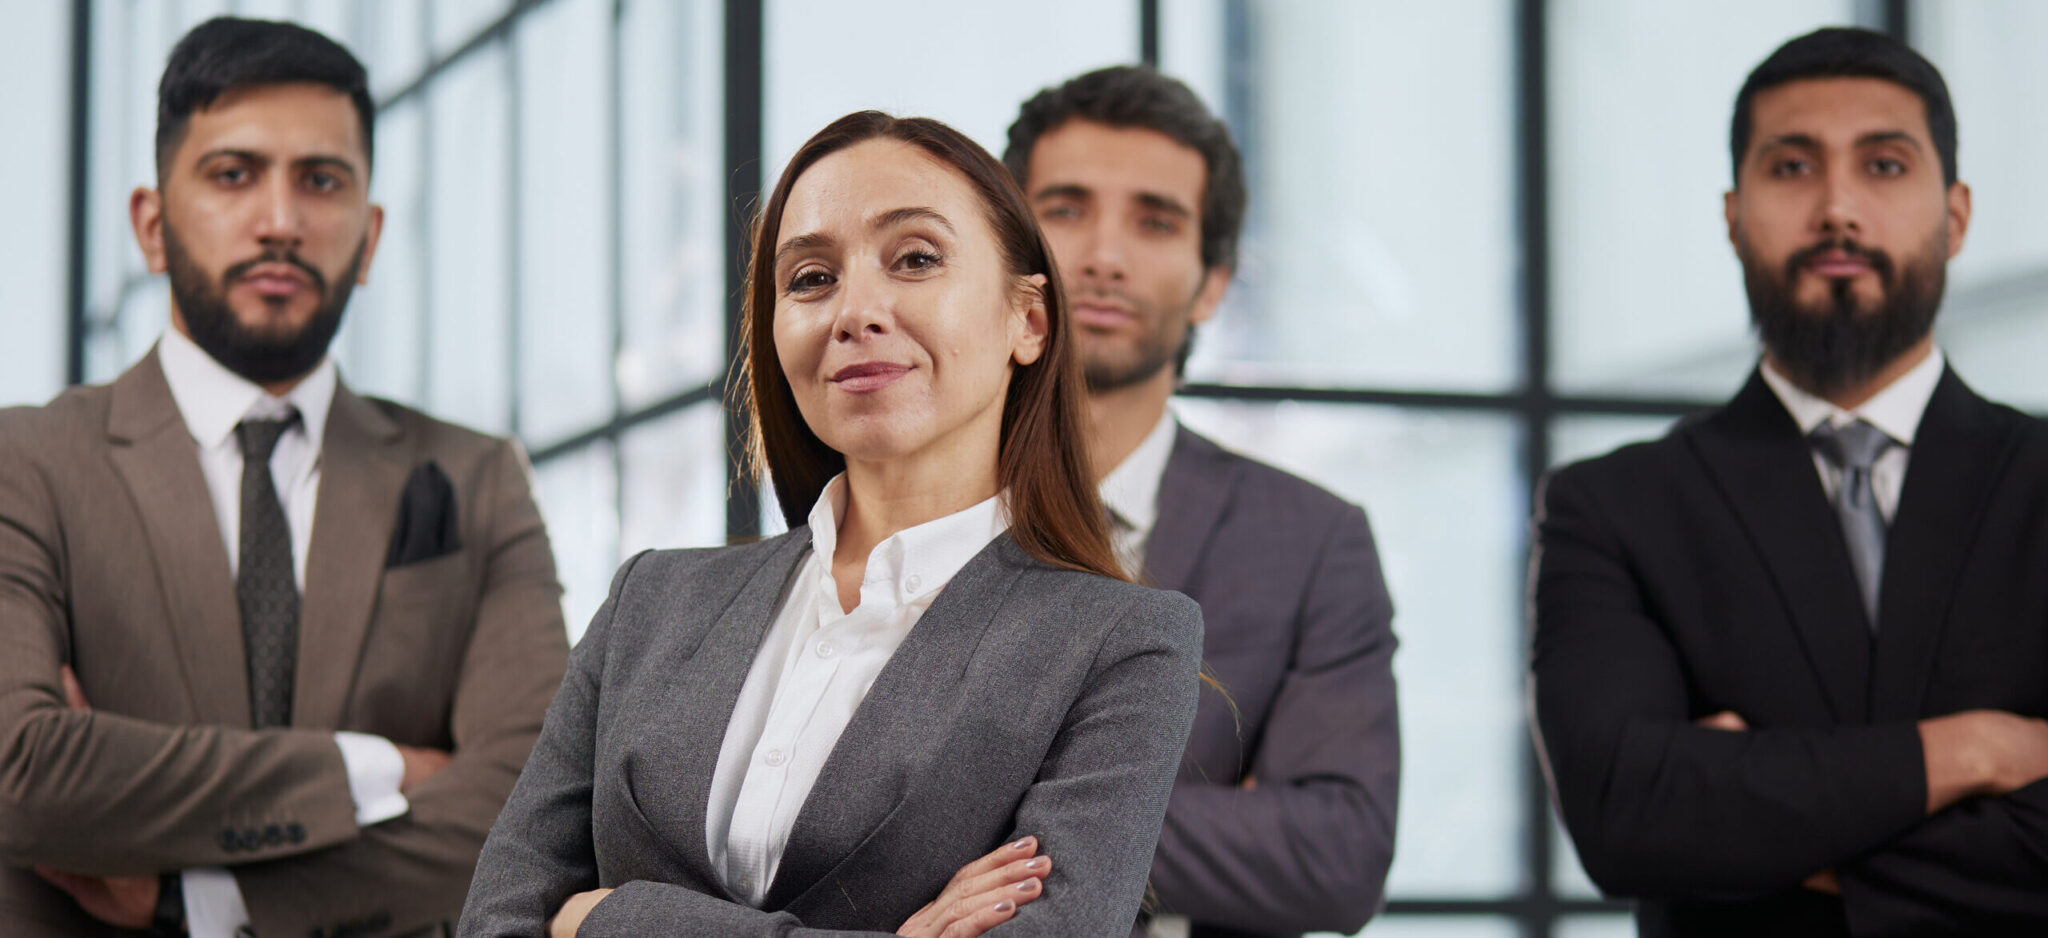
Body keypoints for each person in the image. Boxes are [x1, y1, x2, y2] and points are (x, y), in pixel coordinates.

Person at [456, 110, 1204, 938]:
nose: (855, 311)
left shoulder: (1121, 643)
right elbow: (499, 920)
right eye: (810, 278)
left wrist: (616, 918)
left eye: (916, 259)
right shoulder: (650, 602)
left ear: (1027, 320)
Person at [0, 16, 569, 938]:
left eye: (321, 180)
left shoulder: (477, 477)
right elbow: (21, 775)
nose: (280, 220)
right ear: (151, 226)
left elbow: (535, 811)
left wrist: (198, 896)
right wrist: (368, 768)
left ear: (371, 236)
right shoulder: (24, 464)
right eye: (233, 174)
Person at [1532, 26, 2048, 937]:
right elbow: (1628, 816)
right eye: (1792, 168)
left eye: (1885, 166)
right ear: (1732, 215)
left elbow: (1686, 817)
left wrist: (1760, 817)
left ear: (1956, 216)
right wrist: (1977, 748)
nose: (1838, 209)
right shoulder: (1614, 506)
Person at [1000, 66, 1400, 938]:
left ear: (1212, 280)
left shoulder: (1310, 541)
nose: (1105, 255)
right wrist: (1199, 821)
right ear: (1008, 254)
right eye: (1065, 209)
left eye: (1155, 220)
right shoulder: (908, 510)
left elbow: (1338, 856)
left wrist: (983, 813)